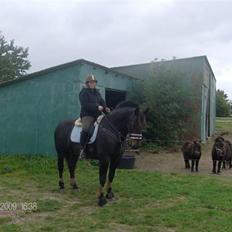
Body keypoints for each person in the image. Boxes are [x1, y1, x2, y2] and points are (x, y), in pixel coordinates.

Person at [79, 74, 110, 158]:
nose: (93, 84)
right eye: (91, 82)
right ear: (87, 83)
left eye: (94, 82)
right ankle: (82, 150)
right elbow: (85, 104)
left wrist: (105, 107)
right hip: (87, 115)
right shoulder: (83, 92)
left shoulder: (97, 92)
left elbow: (102, 101)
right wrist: (96, 107)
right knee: (86, 129)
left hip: (97, 115)